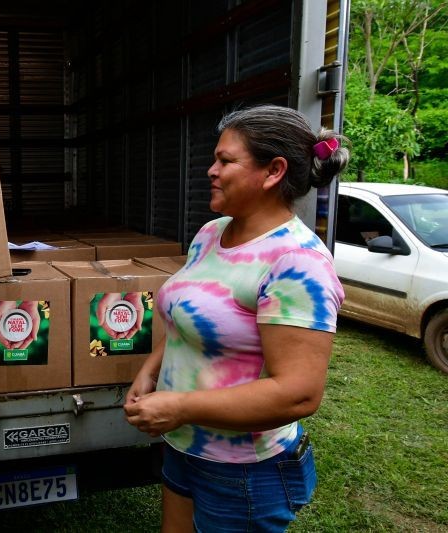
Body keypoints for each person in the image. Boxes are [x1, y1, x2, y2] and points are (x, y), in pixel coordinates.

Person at [123, 104, 348, 532]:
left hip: (244, 470)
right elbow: (189, 320)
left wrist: (181, 406)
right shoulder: (211, 233)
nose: (210, 170)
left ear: (273, 171)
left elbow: (299, 395)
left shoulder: (297, 262)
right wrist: (150, 370)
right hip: (187, 447)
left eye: (225, 161)